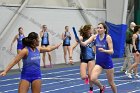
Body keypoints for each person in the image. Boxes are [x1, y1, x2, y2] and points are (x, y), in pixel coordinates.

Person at [79, 23, 117, 93]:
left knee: (111, 83)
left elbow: (112, 51)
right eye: (98, 28)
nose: (98, 29)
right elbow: (85, 43)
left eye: (100, 28)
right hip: (99, 63)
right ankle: (102, 87)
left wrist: (104, 50)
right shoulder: (94, 37)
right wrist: (80, 41)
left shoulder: (108, 37)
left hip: (107, 62)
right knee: (92, 78)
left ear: (104, 30)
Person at [70, 25, 104, 93]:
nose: (92, 30)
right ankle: (87, 78)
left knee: (91, 76)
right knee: (83, 76)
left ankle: (96, 88)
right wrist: (70, 57)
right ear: (88, 30)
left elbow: (95, 47)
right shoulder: (82, 38)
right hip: (83, 58)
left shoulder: (93, 37)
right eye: (91, 29)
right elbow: (72, 47)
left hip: (91, 58)